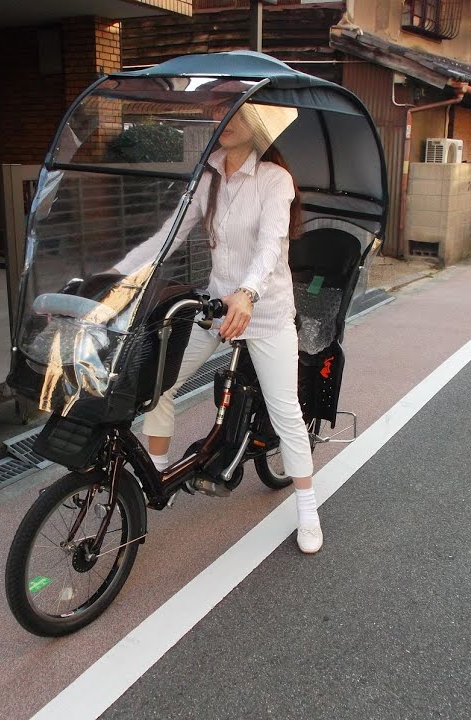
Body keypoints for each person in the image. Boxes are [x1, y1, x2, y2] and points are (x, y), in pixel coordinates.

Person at [106, 103, 324, 554]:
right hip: (215, 309)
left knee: (286, 412)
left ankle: (307, 509)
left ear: (259, 130)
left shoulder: (273, 180)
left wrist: (248, 293)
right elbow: (165, 239)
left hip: (263, 312)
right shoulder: (208, 179)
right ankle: (154, 482)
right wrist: (112, 281)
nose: (226, 123)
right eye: (223, 115)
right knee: (158, 385)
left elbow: (271, 247)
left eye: (239, 116)